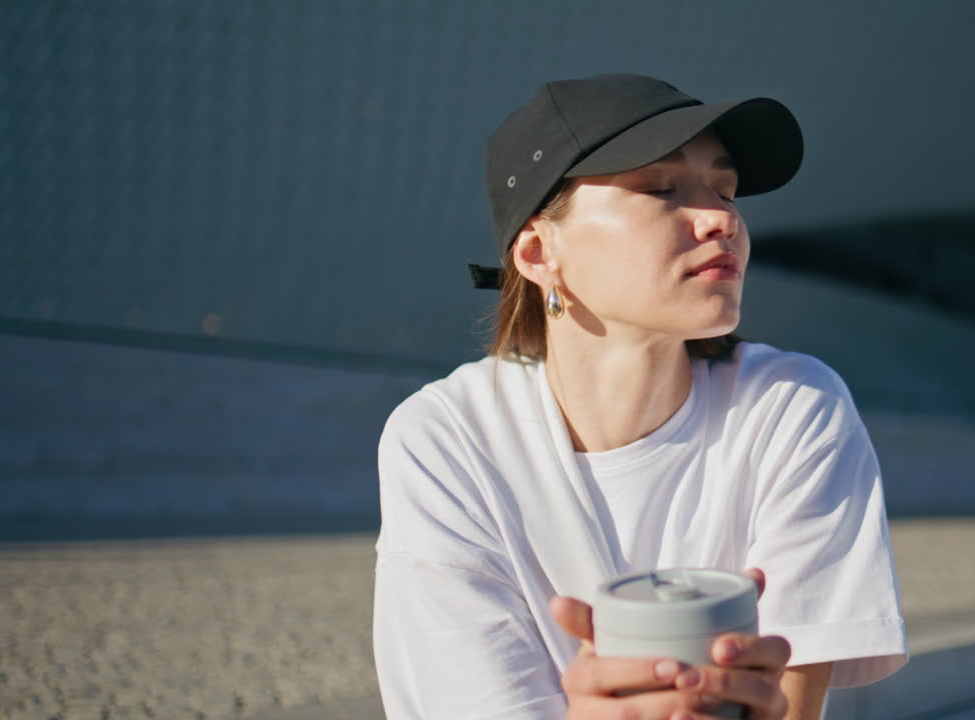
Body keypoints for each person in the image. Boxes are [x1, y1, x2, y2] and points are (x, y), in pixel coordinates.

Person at [373, 74, 908, 720]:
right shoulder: (449, 441)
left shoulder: (792, 409)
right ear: (540, 252)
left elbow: (793, 708)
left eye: (726, 189)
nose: (723, 218)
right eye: (661, 188)